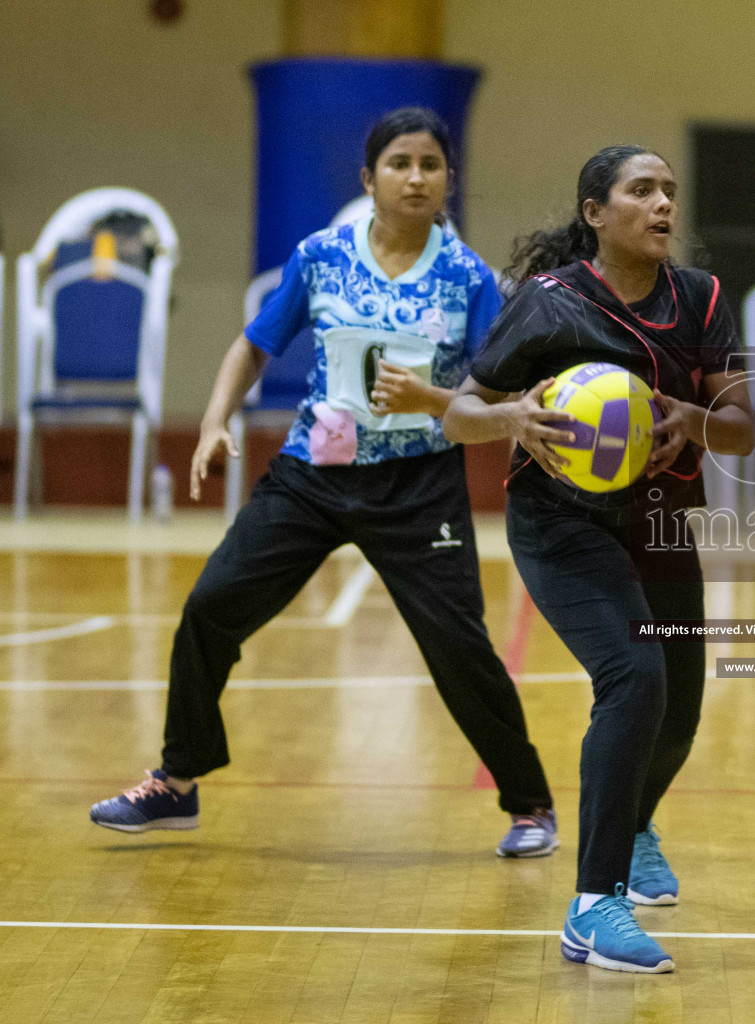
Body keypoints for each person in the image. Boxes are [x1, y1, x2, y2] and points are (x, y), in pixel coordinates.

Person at [89, 106, 559, 861]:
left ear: (448, 181)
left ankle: (530, 803)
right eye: (399, 163)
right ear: (368, 178)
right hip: (313, 475)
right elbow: (254, 344)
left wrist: (429, 401)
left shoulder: (469, 278)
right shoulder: (321, 257)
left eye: (430, 165)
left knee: (459, 646)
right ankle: (176, 784)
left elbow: (494, 399)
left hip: (418, 485)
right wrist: (215, 421)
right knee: (211, 608)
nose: (415, 177)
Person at [444, 144, 755, 973]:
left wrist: (690, 417)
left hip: (657, 521)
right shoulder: (548, 304)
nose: (663, 207)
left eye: (669, 193)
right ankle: (594, 906)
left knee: (678, 714)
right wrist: (512, 416)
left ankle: (637, 820)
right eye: (642, 191)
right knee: (634, 675)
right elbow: (459, 413)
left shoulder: (703, 297)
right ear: (594, 213)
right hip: (559, 523)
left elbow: (743, 429)